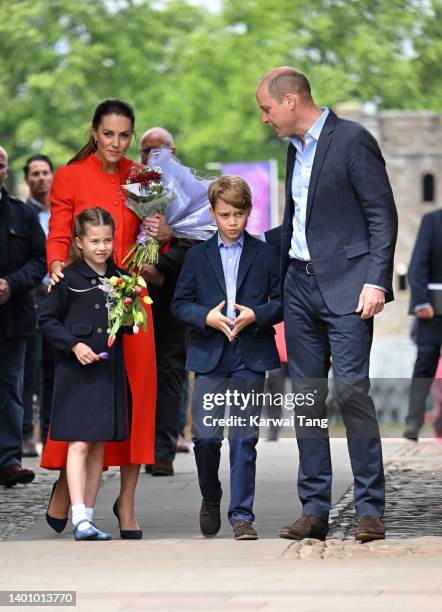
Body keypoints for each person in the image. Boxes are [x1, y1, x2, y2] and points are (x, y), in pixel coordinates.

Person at [256, 67, 398, 543]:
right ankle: (314, 509)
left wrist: (376, 281)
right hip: (299, 287)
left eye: (267, 108)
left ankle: (370, 509)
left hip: (348, 289)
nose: (264, 118)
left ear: (291, 100)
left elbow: (382, 214)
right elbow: (296, 223)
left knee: (353, 392)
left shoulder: (352, 140)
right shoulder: (292, 149)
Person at [41, 98, 156, 539]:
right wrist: (55, 266)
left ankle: (126, 501)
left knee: (136, 398)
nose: (115, 142)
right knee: (85, 399)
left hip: (133, 298)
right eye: (108, 133)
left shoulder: (143, 177)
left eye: (124, 135)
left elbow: (151, 240)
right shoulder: (70, 176)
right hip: (84, 299)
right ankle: (66, 487)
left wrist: (159, 235)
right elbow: (58, 233)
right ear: (94, 132)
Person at [172, 175, 283, 540]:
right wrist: (206, 317)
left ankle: (242, 515)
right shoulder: (197, 255)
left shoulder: (265, 253)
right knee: (205, 438)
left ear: (249, 212)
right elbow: (179, 304)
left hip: (249, 353)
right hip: (210, 354)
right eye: (224, 215)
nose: (232, 222)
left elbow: (281, 301)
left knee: (244, 436)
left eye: (238, 214)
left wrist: (258, 315)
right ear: (213, 214)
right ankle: (210, 497)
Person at [39, 208, 131, 540]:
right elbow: (46, 320)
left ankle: (88, 517)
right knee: (78, 443)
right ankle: (78, 516)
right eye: (94, 241)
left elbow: (126, 323)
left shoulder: (121, 277)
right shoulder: (68, 278)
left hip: (106, 372)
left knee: (98, 445)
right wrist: (73, 346)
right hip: (75, 373)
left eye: (107, 240)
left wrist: (130, 322)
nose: (102, 247)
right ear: (79, 241)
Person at [140, 127, 194, 476]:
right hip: (131, 291)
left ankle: (162, 449)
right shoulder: (135, 187)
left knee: (169, 372)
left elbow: (196, 241)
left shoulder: (190, 192)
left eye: (158, 151)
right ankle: (135, 444)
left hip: (171, 296)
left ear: (172, 151)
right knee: (136, 373)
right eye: (145, 151)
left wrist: (159, 267)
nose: (151, 158)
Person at [0, 145, 47, 487]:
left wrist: (10, 284)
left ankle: (8, 460)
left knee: (10, 388)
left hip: (13, 317)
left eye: (0, 164)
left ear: (6, 170)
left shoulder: (21, 214)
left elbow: (40, 260)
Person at [22, 154, 54, 456]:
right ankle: (26, 435)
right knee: (29, 369)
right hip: (32, 297)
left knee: (52, 369)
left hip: (58, 297)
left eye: (45, 172)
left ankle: (49, 433)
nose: (41, 178)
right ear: (27, 179)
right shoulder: (23, 212)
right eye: (35, 173)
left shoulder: (59, 210)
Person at [403, 209, 442, 441]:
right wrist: (420, 301)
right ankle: (413, 423)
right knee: (425, 363)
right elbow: (417, 265)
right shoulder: (432, 221)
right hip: (432, 311)